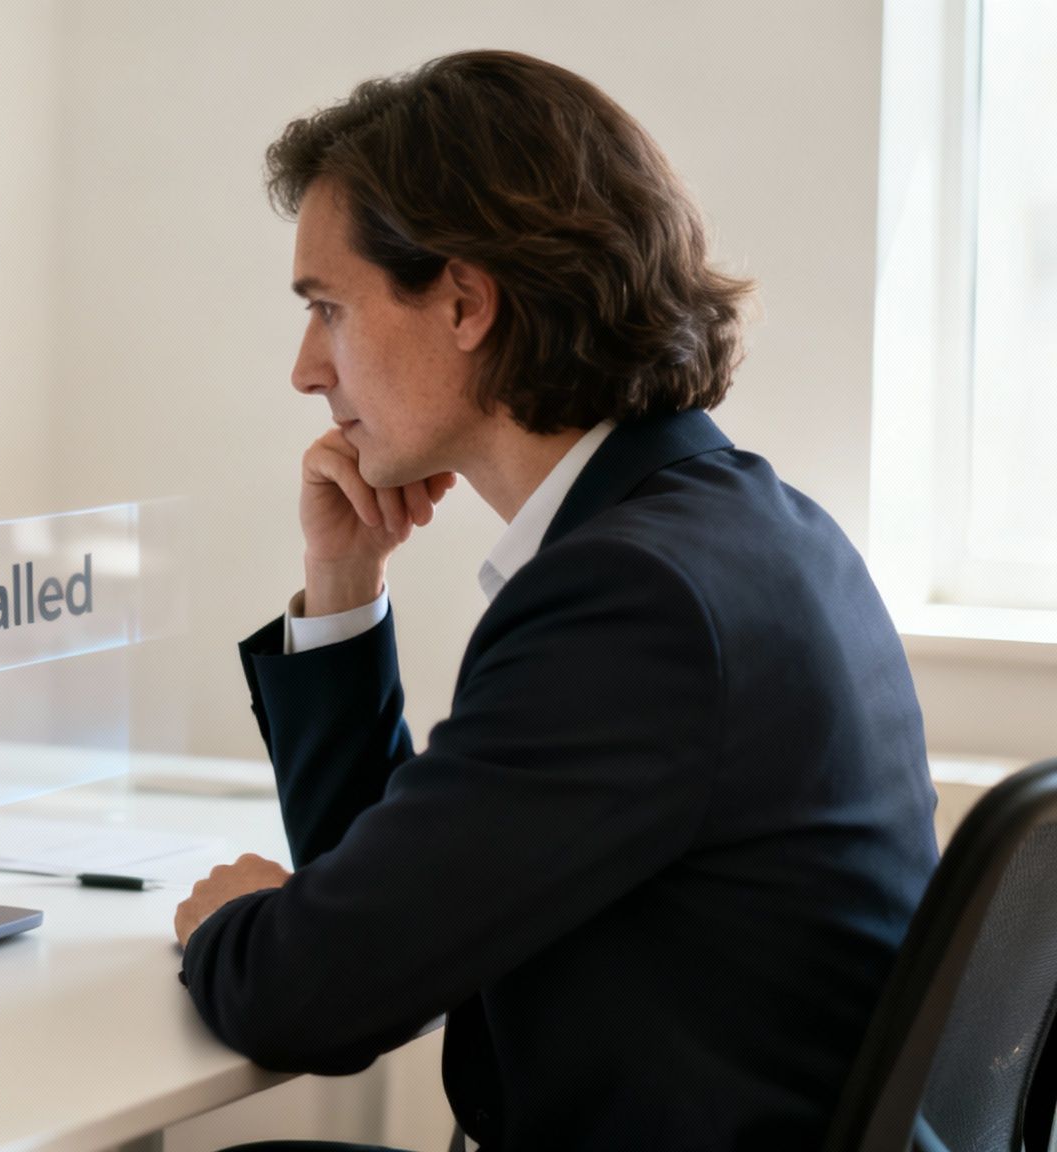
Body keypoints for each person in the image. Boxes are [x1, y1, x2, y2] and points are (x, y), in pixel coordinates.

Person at [172, 50, 938, 1151]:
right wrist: (342, 591)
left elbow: (308, 994)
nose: (305, 368)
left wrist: (228, 928)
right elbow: (394, 920)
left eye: (328, 309)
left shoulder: (633, 602)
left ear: (465, 302)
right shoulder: (746, 530)